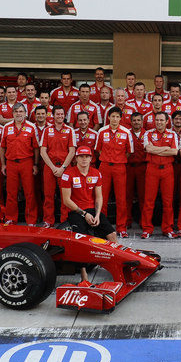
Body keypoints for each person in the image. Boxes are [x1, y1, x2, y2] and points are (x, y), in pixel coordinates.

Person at [61, 147, 116, 281]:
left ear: (91, 159)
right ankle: (83, 275)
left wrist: (97, 215)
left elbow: (99, 197)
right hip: (76, 210)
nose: (84, 159)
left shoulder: (96, 173)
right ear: (76, 159)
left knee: (112, 235)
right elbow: (66, 200)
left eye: (87, 156)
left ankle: (114, 264)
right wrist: (84, 214)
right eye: (81, 156)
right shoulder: (68, 174)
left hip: (92, 210)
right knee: (82, 240)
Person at [95, 108, 134, 237]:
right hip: (105, 166)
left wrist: (118, 159)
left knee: (121, 198)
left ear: (121, 118)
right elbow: (99, 149)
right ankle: (103, 227)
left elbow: (128, 152)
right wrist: (108, 158)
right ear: (109, 118)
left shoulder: (126, 132)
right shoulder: (102, 131)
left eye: (117, 116)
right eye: (112, 116)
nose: (115, 119)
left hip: (119, 167)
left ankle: (121, 228)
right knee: (102, 198)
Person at [141, 111, 179, 239]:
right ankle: (147, 228)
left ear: (167, 121)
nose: (159, 122)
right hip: (152, 169)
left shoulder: (172, 134)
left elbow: (174, 151)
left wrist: (156, 150)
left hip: (167, 170)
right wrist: (165, 149)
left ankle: (167, 228)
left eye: (162, 120)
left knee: (168, 201)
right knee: (149, 201)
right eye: (157, 120)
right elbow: (148, 149)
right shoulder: (148, 133)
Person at [1, 104, 39, 225]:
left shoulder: (31, 127)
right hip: (11, 163)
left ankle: (31, 220)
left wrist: (35, 164)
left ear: (25, 113)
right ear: (12, 113)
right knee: (11, 193)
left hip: (26, 162)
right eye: (16, 111)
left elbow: (36, 148)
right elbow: (2, 147)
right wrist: (3, 164)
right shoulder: (6, 127)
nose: (18, 114)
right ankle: (11, 218)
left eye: (21, 111)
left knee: (29, 192)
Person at [40, 106, 76, 226]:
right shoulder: (47, 130)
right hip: (50, 167)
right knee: (48, 196)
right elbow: (43, 151)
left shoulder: (70, 130)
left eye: (62, 114)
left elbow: (72, 151)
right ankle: (48, 221)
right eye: (57, 114)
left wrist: (63, 168)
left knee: (65, 197)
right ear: (53, 116)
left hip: (65, 168)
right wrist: (53, 168)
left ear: (64, 116)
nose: (60, 116)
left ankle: (65, 221)